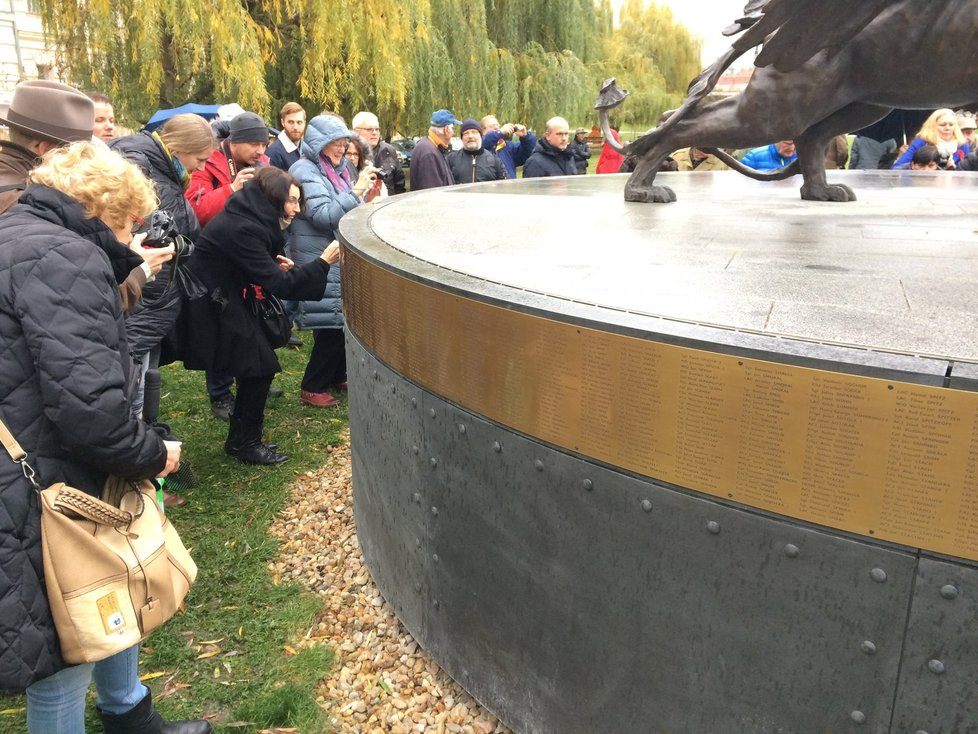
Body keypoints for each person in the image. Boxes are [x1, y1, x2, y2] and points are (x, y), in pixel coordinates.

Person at [0, 141, 208, 733]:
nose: (128, 237)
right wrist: (152, 455)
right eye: (124, 224)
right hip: (37, 479)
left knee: (105, 582)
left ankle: (128, 714)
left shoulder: (15, 234)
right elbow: (90, 409)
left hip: (29, 452)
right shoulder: (65, 257)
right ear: (100, 210)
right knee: (65, 639)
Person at [185, 167, 338, 464]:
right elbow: (281, 285)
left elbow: (255, 267)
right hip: (213, 304)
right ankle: (246, 444)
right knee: (259, 366)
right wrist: (323, 262)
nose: (296, 209)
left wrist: (269, 263)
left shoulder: (249, 219)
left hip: (225, 297)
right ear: (272, 199)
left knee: (256, 367)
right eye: (291, 201)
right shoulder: (243, 227)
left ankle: (241, 440)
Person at [185, 111, 271, 420]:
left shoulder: (262, 164)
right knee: (221, 325)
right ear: (234, 142)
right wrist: (232, 189)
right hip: (215, 258)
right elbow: (195, 210)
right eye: (253, 145)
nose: (261, 152)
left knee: (249, 319)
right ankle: (219, 392)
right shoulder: (206, 163)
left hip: (247, 252)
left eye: (264, 144)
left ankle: (250, 375)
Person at [288, 115, 378, 407]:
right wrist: (355, 192)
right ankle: (312, 385)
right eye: (336, 144)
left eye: (344, 144)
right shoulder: (304, 170)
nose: (342, 149)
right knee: (328, 323)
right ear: (320, 144)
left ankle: (337, 374)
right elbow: (322, 214)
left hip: (338, 253)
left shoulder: (339, 168)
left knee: (342, 321)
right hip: (318, 254)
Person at [891, 108, 971, 170]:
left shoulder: (963, 146)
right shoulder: (922, 142)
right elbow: (897, 168)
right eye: (942, 125)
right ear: (933, 126)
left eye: (951, 125)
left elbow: (968, 172)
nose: (947, 128)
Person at [351, 110, 406, 194]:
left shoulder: (389, 150)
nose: (374, 133)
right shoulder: (347, 152)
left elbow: (399, 185)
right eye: (369, 129)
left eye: (377, 129)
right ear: (355, 131)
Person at [446, 118, 507, 184]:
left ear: (480, 136)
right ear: (462, 138)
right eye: (466, 133)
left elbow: (504, 187)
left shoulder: (494, 161)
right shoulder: (451, 160)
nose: (470, 136)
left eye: (474, 132)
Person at [409, 109, 459, 190]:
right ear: (446, 129)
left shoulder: (432, 147)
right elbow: (432, 194)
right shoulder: (429, 153)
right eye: (452, 128)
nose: (453, 132)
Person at [480, 114, 536, 179]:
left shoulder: (507, 146)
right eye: (492, 126)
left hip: (510, 187)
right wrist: (499, 132)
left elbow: (528, 153)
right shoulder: (480, 146)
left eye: (498, 126)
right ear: (483, 131)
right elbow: (485, 142)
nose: (497, 128)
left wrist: (526, 136)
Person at [266, 102, 306, 171]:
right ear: (283, 122)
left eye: (299, 122)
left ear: (304, 123)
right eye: (291, 122)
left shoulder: (308, 148)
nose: (295, 127)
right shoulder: (273, 153)